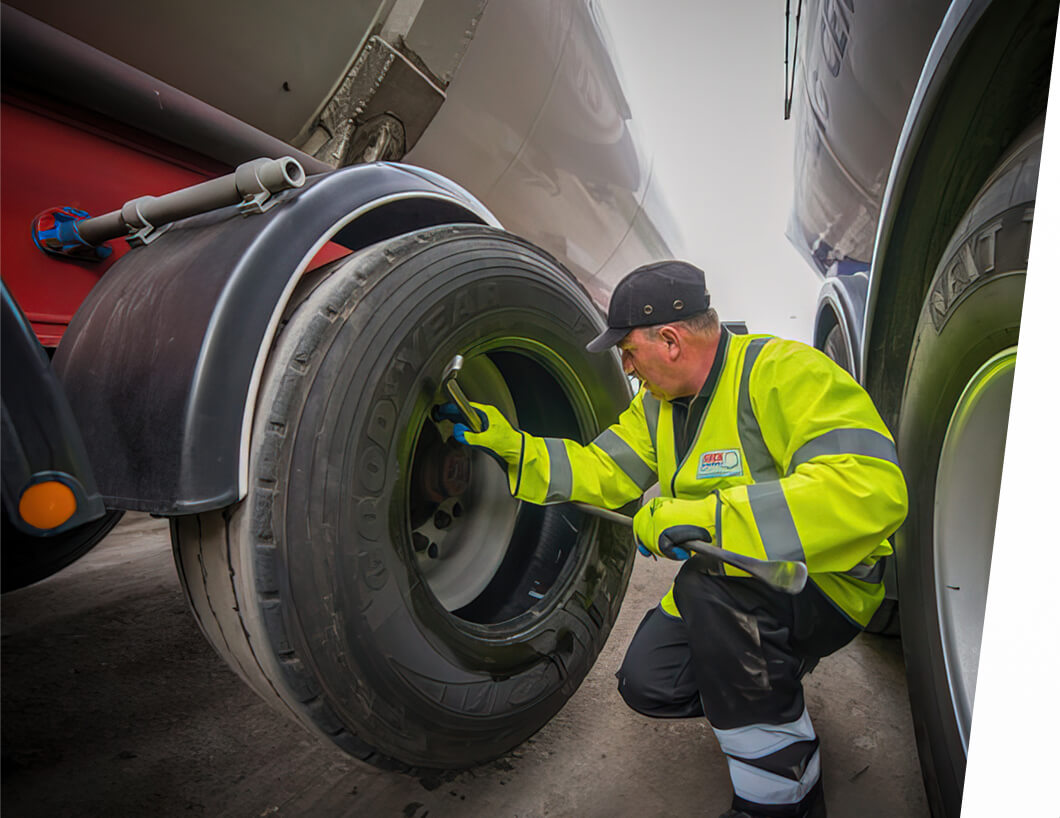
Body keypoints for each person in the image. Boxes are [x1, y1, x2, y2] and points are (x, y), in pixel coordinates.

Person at [437, 260, 907, 818]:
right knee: (649, 679)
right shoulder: (656, 408)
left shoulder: (784, 373)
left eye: (629, 351)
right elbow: (600, 471)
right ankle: (767, 671)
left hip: (827, 585)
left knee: (707, 588)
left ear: (670, 338)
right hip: (740, 581)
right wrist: (513, 447)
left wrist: (709, 519)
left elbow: (872, 488)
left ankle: (782, 798)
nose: (628, 368)